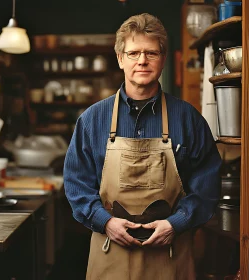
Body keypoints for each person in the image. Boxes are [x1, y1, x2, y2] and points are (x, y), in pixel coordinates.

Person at [64, 13, 221, 280]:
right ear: (120, 58)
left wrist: (176, 223)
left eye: (151, 53)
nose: (142, 61)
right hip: (109, 251)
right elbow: (76, 184)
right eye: (134, 52)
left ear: (163, 59)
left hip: (171, 257)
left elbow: (207, 187)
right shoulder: (92, 120)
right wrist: (106, 222)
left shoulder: (188, 118)